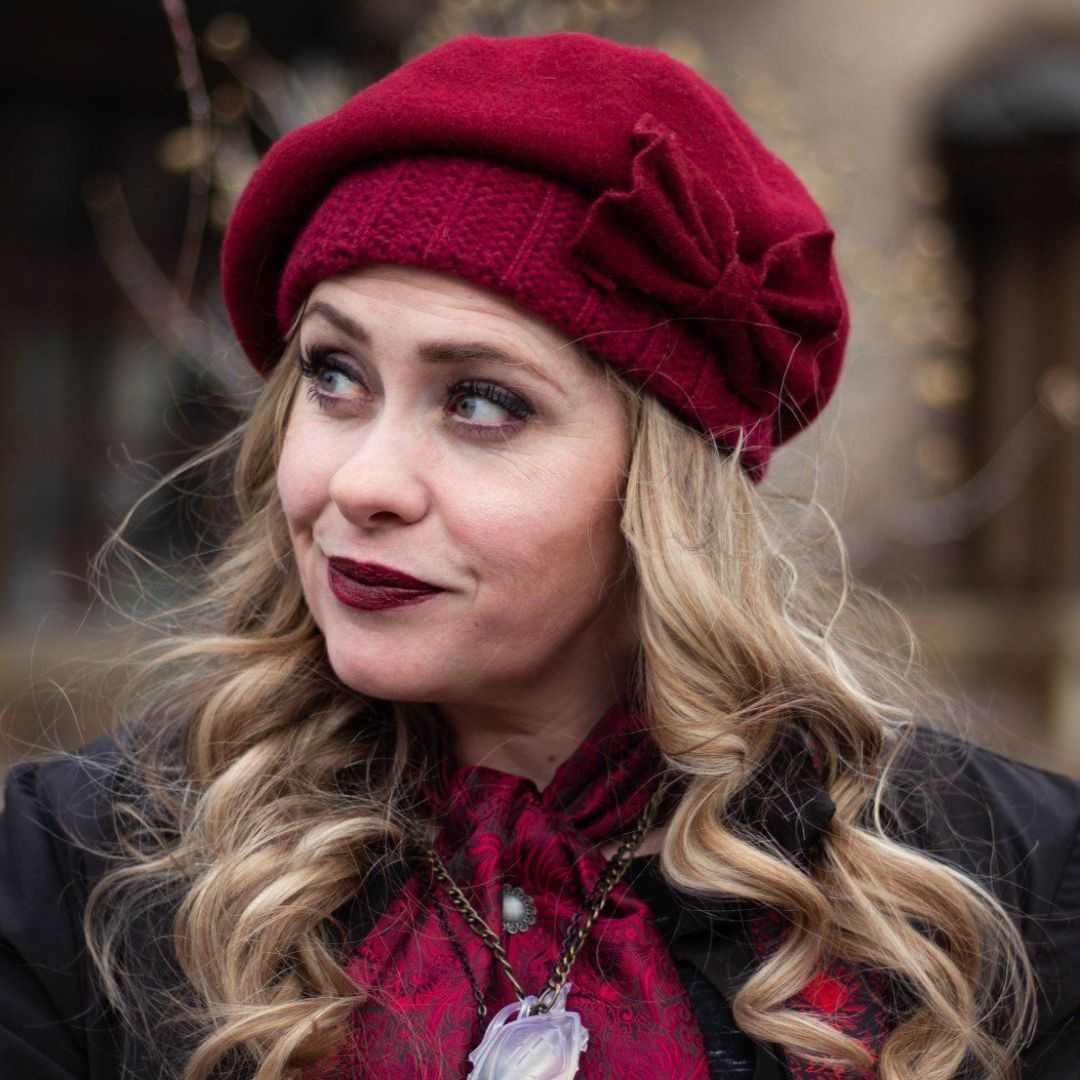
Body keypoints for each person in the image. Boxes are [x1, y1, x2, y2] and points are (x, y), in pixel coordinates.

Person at [1, 30, 1078, 1080]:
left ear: (664, 491)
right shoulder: (76, 870)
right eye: (334, 376)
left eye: (481, 401)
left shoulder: (1004, 887)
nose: (360, 483)